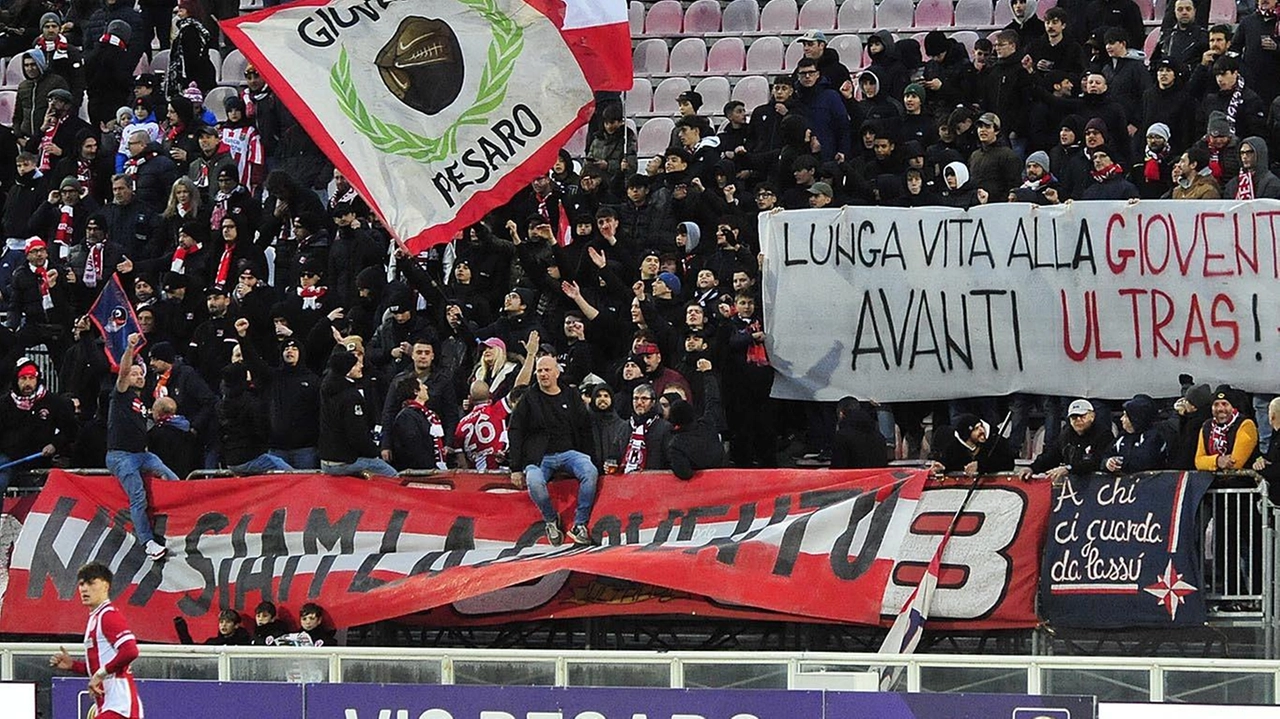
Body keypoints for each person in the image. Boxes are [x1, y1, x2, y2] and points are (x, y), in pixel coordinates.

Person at [508, 356, 598, 546]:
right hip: (540, 457)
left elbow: (585, 427)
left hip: (569, 452)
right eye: (539, 371)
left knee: (590, 471)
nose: (543, 374)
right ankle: (551, 519)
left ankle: (579, 524)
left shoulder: (571, 395)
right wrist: (515, 467)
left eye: (547, 370)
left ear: (557, 372)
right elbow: (515, 431)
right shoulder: (528, 399)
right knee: (534, 480)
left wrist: (592, 457)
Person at [106, 332, 177, 561]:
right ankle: (148, 543)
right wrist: (130, 349)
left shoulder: (140, 401)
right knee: (138, 497)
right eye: (134, 373)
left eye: (140, 373)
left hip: (141, 455)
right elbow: (124, 372)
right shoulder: (121, 395)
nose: (136, 376)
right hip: (121, 456)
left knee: (171, 477)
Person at [49, 563, 144, 719]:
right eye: (81, 584)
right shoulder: (96, 617)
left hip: (121, 707)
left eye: (91, 582)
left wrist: (100, 675)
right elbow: (103, 664)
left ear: (105, 586)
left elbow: (130, 651)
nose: (84, 589)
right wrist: (73, 665)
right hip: (109, 705)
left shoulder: (108, 615)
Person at [0, 356, 77, 494]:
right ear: (16, 380)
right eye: (23, 379)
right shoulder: (5, 403)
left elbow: (71, 430)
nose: (27, 383)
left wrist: (55, 444)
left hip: (38, 461)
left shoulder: (53, 402)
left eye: (31, 378)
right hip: (8, 461)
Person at [319, 349, 397, 477]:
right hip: (346, 461)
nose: (361, 365)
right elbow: (356, 433)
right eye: (356, 364)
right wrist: (374, 451)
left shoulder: (327, 389)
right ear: (347, 369)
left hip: (326, 461)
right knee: (392, 476)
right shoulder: (350, 396)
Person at [1029, 399, 1113, 480]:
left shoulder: (1104, 434)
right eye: (1074, 417)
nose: (1078, 420)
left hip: (1098, 483)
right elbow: (1052, 455)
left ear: (1092, 416)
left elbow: (1097, 461)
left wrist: (1069, 468)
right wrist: (1032, 468)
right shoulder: (1066, 435)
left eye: (1083, 416)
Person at [1195, 385, 1259, 471]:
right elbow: (1198, 462)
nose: (1220, 409)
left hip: (1242, 481)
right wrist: (1217, 460)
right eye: (1216, 404)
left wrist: (1208, 461)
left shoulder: (1245, 424)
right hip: (1210, 482)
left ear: (1233, 407)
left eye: (1225, 404)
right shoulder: (1207, 426)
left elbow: (1235, 463)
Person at [933, 413, 1016, 474]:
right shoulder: (954, 448)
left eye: (981, 426)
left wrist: (980, 465)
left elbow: (1008, 463)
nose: (982, 430)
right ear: (967, 436)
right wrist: (942, 466)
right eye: (976, 429)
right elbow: (949, 462)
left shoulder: (996, 443)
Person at [1103, 395, 1167, 473]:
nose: (1121, 419)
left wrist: (1121, 463)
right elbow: (1106, 454)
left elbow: (1143, 462)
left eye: (1126, 416)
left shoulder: (1155, 436)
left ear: (1135, 419)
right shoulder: (1122, 436)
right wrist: (1107, 462)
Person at [619, 383, 673, 472]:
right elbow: (615, 453)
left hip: (654, 480)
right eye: (636, 398)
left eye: (644, 398)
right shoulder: (624, 426)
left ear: (653, 402)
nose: (639, 402)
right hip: (627, 480)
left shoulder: (665, 427)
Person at [830, 396, 889, 469]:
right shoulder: (879, 436)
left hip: (853, 478)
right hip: (877, 478)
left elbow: (838, 467)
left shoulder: (842, 437)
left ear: (841, 414)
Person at [175, 608, 251, 645]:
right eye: (221, 622)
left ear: (236, 625)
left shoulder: (244, 642)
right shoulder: (213, 642)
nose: (223, 625)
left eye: (228, 622)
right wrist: (181, 627)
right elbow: (192, 649)